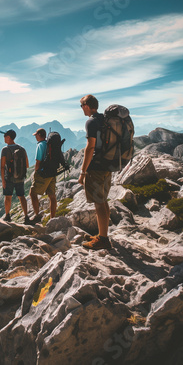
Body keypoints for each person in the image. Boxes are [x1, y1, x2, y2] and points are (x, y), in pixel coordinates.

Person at [78, 94, 112, 250]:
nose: (81, 109)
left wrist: (83, 172)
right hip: (108, 165)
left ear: (87, 105)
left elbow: (90, 146)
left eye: (81, 106)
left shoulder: (91, 121)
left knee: (99, 203)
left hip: (97, 167)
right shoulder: (104, 120)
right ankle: (102, 234)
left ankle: (103, 240)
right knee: (103, 200)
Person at [0, 129, 31, 224]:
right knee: (21, 197)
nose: (4, 137)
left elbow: (2, 166)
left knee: (8, 197)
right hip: (20, 178)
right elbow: (27, 165)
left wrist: (3, 180)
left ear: (9, 137)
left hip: (8, 178)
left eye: (5, 135)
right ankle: (26, 217)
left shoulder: (5, 150)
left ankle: (7, 216)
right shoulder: (22, 149)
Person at [29, 128, 57, 223]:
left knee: (32, 193)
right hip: (52, 172)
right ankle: (52, 218)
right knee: (52, 196)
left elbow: (38, 161)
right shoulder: (50, 144)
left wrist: (36, 172)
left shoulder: (40, 145)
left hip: (43, 173)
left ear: (39, 135)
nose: (35, 137)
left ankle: (37, 216)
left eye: (36, 135)